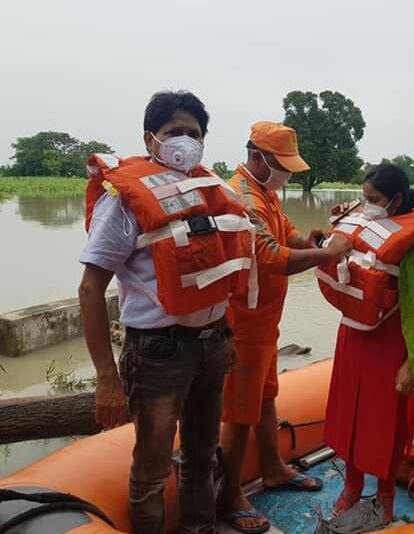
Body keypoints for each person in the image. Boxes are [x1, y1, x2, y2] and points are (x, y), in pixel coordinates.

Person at [78, 91, 255, 534]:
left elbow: (216, 274)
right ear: (150, 138)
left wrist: (227, 336)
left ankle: (199, 528)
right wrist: (106, 378)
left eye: (194, 134)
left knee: (201, 454)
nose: (185, 141)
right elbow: (90, 289)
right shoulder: (123, 201)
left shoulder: (208, 192)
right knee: (152, 468)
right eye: (174, 132)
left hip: (212, 343)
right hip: (158, 352)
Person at [220, 121, 351, 534]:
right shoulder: (241, 198)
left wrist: (312, 242)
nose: (288, 174)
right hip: (241, 319)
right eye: (282, 166)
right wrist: (328, 253)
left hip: (264, 318)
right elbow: (271, 256)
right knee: (240, 411)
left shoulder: (266, 194)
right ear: (257, 158)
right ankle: (227, 496)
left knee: (266, 395)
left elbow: (288, 235)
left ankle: (274, 467)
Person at [319, 164, 414, 525]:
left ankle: (386, 493)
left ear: (394, 199)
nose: (366, 206)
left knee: (387, 425)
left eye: (373, 199)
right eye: (364, 198)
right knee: (349, 414)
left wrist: (412, 363)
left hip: (394, 343)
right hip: (353, 335)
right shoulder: (361, 223)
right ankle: (353, 487)